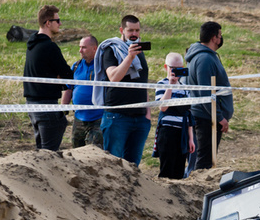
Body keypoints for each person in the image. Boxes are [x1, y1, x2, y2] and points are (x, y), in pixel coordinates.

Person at [94, 15, 151, 165]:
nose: (134, 34)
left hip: (140, 117)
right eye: (130, 30)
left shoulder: (138, 51)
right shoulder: (112, 49)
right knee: (114, 164)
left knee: (133, 166)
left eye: (137, 30)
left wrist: (148, 113)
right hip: (117, 116)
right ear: (122, 30)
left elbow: (142, 82)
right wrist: (129, 57)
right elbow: (114, 77)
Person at [23, 5, 73, 151]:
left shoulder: (32, 45)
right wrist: (59, 77)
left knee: (41, 151)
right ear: (48, 23)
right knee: (48, 153)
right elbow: (67, 74)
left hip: (32, 104)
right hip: (45, 104)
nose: (60, 24)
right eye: (58, 20)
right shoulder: (50, 47)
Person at [186, 21, 233, 170]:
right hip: (206, 118)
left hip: (208, 116)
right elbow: (205, 93)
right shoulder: (204, 59)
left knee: (207, 158)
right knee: (205, 161)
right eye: (220, 35)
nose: (221, 39)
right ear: (214, 38)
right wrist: (219, 117)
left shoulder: (206, 57)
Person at [153, 52, 195, 179]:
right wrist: (170, 85)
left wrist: (191, 138)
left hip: (182, 131)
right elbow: (163, 107)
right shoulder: (162, 84)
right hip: (167, 131)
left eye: (179, 69)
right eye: (173, 69)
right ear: (166, 67)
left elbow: (188, 114)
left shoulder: (185, 88)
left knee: (179, 169)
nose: (176, 72)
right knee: (167, 168)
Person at [62, 35, 103, 149]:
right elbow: (69, 88)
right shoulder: (76, 66)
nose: (80, 50)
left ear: (95, 48)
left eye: (84, 47)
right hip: (79, 118)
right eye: (80, 47)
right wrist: (62, 109)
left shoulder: (103, 66)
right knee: (76, 151)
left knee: (94, 152)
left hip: (98, 118)